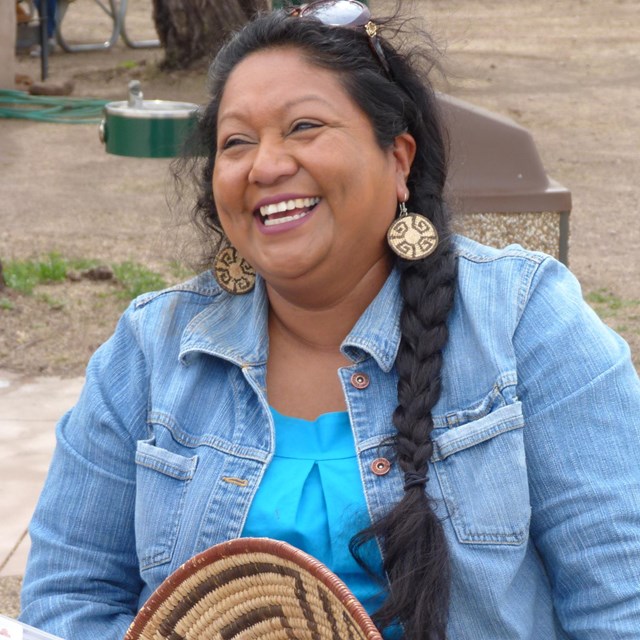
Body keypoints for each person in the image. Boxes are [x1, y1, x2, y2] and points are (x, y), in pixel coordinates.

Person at [20, 1, 640, 639]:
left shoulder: (526, 320)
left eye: (304, 127)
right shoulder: (149, 350)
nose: (265, 166)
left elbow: (622, 604)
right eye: (236, 142)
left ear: (398, 159)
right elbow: (69, 600)